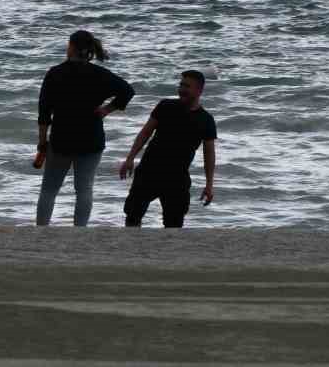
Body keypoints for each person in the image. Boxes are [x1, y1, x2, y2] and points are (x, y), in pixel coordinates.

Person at [35, 29, 134, 226]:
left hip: (62, 138)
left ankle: (41, 229)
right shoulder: (99, 74)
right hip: (91, 138)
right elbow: (127, 90)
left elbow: (44, 112)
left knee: (49, 189)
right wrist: (107, 109)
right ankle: (80, 230)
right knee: (84, 189)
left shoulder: (55, 73)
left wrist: (42, 142)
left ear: (70, 47)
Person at [118, 70, 217, 228]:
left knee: (174, 224)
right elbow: (145, 133)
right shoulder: (166, 106)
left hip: (177, 178)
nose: (181, 89)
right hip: (149, 171)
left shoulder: (206, 120)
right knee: (132, 216)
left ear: (199, 90)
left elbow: (209, 154)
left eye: (187, 86)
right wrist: (130, 158)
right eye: (180, 85)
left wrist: (209, 184)